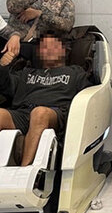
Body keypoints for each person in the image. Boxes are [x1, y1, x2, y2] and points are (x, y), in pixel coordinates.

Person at [0, 31, 92, 166]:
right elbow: (5, 86)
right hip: (23, 113)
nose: (48, 50)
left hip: (54, 113)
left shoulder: (75, 72)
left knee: (39, 113)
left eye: (53, 46)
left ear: (63, 50)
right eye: (44, 47)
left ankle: (26, 170)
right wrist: (3, 66)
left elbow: (89, 96)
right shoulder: (26, 73)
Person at [0, 0, 75, 66]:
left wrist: (39, 14)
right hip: (10, 42)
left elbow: (67, 26)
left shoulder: (65, 3)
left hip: (40, 51)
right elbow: (11, 7)